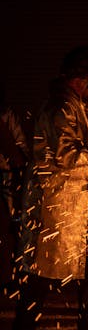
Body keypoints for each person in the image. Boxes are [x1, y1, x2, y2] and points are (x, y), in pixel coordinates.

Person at [12, 46, 88, 330]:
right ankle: (23, 328)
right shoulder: (61, 108)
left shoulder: (77, 106)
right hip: (55, 205)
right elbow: (67, 155)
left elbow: (83, 146)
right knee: (41, 269)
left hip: (75, 203)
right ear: (82, 78)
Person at [0, 86, 30, 290]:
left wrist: (21, 168)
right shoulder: (4, 117)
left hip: (7, 176)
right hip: (7, 175)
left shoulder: (5, 115)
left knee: (9, 228)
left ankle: (8, 276)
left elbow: (18, 145)